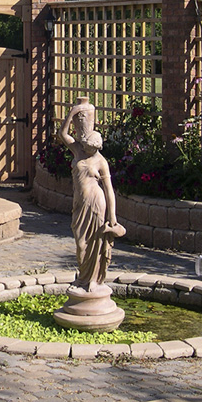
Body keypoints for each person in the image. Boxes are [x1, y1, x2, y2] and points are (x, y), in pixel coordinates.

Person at [58, 97, 125, 293]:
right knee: (80, 244)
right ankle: (83, 277)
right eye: (86, 146)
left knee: (95, 242)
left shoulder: (101, 161)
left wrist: (112, 216)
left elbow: (109, 190)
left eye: (91, 148)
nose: (88, 150)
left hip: (96, 204)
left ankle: (92, 280)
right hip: (80, 203)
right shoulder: (78, 150)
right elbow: (62, 134)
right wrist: (72, 113)